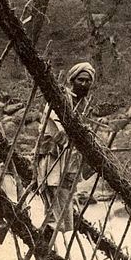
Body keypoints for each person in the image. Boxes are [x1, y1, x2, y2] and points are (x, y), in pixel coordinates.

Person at [35, 61, 96, 234]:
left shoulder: (84, 104)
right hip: (55, 156)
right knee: (54, 189)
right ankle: (49, 231)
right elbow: (52, 125)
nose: (84, 84)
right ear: (73, 80)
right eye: (80, 80)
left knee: (66, 192)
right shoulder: (61, 99)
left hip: (71, 159)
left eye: (87, 81)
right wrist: (69, 136)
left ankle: (54, 230)